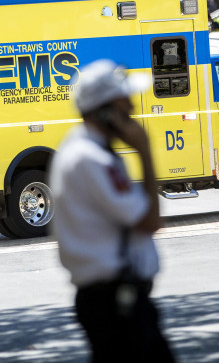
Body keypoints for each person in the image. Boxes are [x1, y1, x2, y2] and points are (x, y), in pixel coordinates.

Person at [50, 60, 174, 362]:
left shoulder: (88, 151)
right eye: (124, 103)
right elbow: (150, 220)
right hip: (115, 306)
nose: (132, 108)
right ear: (105, 110)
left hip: (116, 301)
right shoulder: (92, 159)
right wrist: (144, 150)